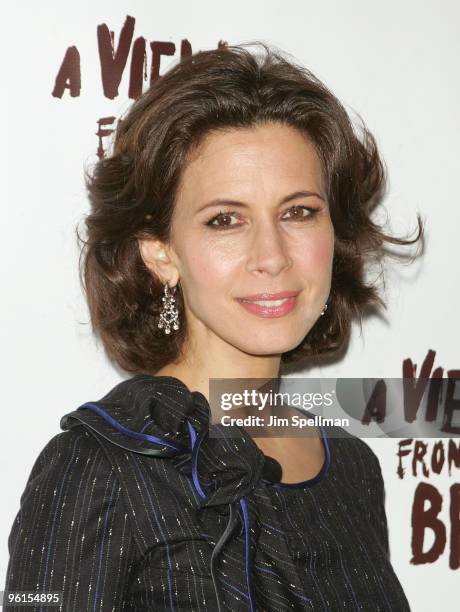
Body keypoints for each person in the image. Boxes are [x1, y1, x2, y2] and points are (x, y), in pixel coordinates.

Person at [4, 42, 423, 611]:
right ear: (160, 253)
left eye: (299, 211)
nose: (271, 256)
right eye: (225, 220)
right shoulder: (102, 468)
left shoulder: (352, 466)